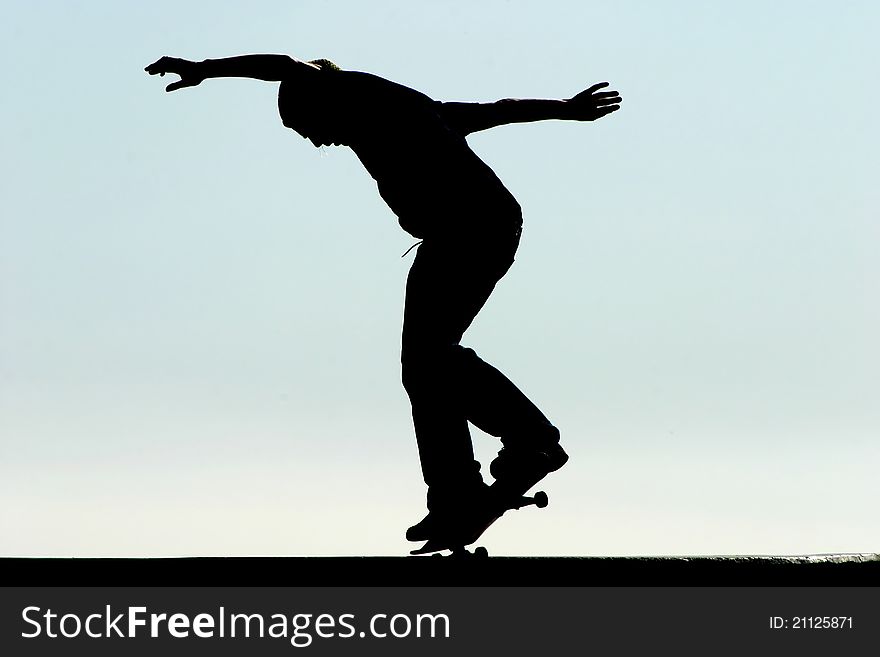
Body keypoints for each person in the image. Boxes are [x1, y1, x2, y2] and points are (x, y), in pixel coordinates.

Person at [145, 54, 622, 542]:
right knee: (425, 365)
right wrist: (566, 108)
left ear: (320, 98)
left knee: (428, 359)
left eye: (305, 126)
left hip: (471, 230)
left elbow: (284, 65)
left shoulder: (361, 96)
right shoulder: (415, 108)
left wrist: (205, 68)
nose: (314, 140)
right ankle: (462, 488)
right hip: (465, 232)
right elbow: (495, 110)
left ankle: (525, 444)